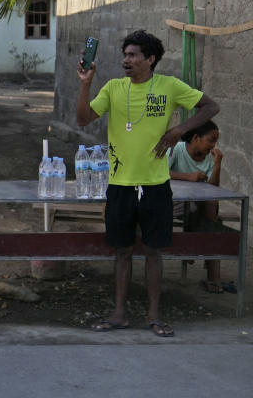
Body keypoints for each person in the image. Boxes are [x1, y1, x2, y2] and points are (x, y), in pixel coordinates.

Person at [76, 29, 219, 337]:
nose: (126, 60)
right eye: (124, 55)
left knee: (154, 252)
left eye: (133, 55)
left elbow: (210, 107)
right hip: (120, 185)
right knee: (122, 251)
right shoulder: (114, 88)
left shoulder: (168, 86)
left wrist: (178, 130)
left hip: (155, 186)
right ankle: (119, 314)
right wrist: (86, 84)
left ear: (150, 59)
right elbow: (83, 118)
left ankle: (154, 316)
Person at [167, 120, 231, 293]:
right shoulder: (178, 149)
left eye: (215, 142)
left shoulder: (210, 159)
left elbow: (213, 189)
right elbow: (162, 172)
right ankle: (197, 247)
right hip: (175, 204)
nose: (212, 146)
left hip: (201, 206)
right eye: (210, 140)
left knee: (210, 205)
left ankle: (207, 265)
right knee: (207, 214)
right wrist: (188, 177)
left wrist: (217, 165)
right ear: (196, 138)